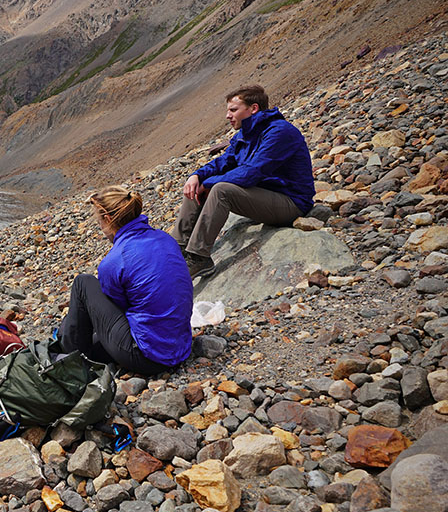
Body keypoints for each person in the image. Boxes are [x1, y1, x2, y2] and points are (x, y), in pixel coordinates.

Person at [172, 85, 315, 279]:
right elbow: (223, 162)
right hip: (265, 195)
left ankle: (199, 258)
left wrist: (209, 183)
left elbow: (251, 173)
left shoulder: (279, 132)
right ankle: (177, 250)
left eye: (233, 110)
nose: (227, 116)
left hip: (291, 202)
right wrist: (197, 176)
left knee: (221, 189)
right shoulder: (245, 134)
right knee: (197, 184)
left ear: (253, 108)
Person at [59, 186, 193, 375]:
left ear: (107, 218)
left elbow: (118, 308)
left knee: (83, 283)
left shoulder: (115, 260)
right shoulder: (164, 238)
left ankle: (70, 361)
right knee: (90, 334)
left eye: (99, 221)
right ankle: (75, 347)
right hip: (181, 346)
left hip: (146, 356)